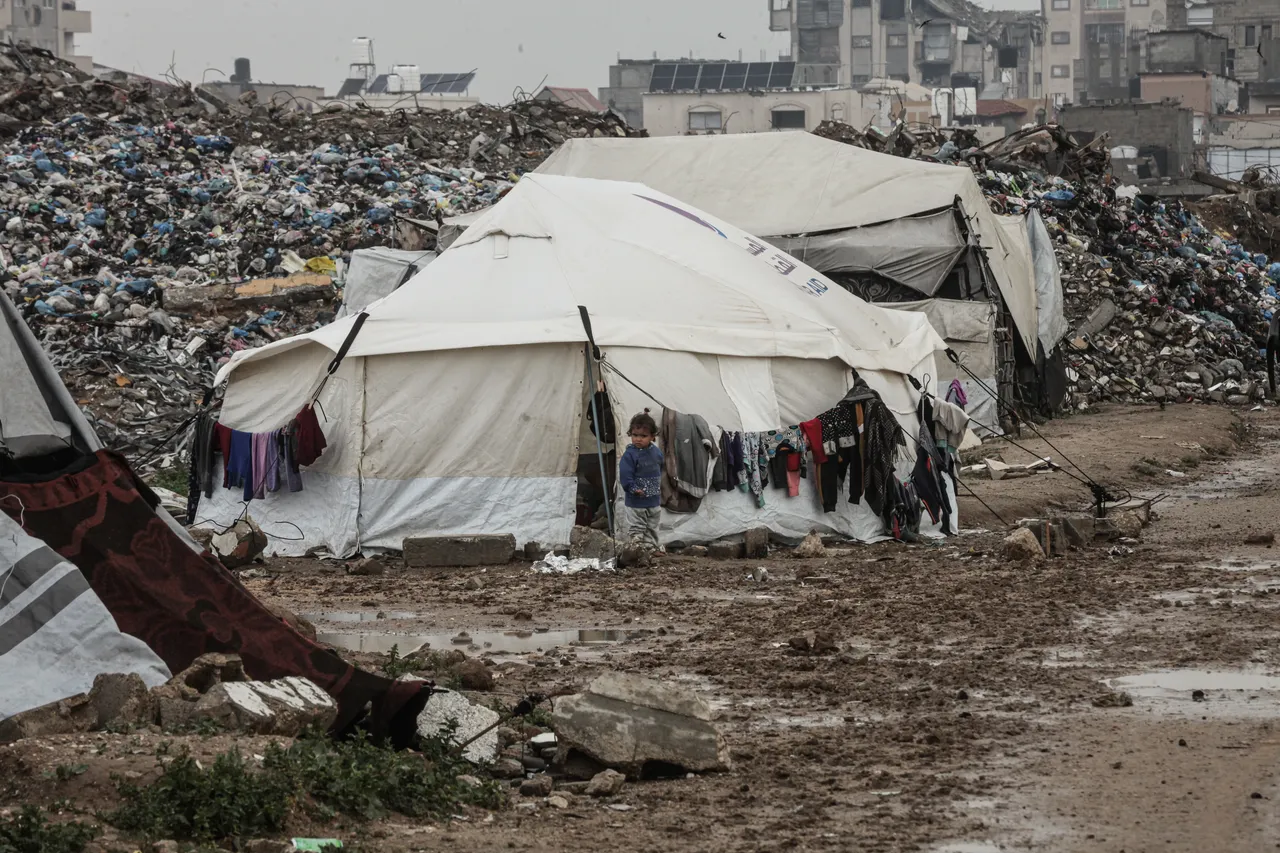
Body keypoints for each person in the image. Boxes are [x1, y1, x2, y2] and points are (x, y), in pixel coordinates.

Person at [619, 411, 663, 548]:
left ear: (652, 437)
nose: (638, 439)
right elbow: (625, 475)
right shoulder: (629, 455)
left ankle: (650, 548)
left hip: (653, 499)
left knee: (652, 525)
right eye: (635, 435)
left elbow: (660, 467)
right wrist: (632, 488)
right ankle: (636, 549)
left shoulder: (656, 452)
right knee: (637, 527)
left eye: (643, 436)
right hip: (636, 500)